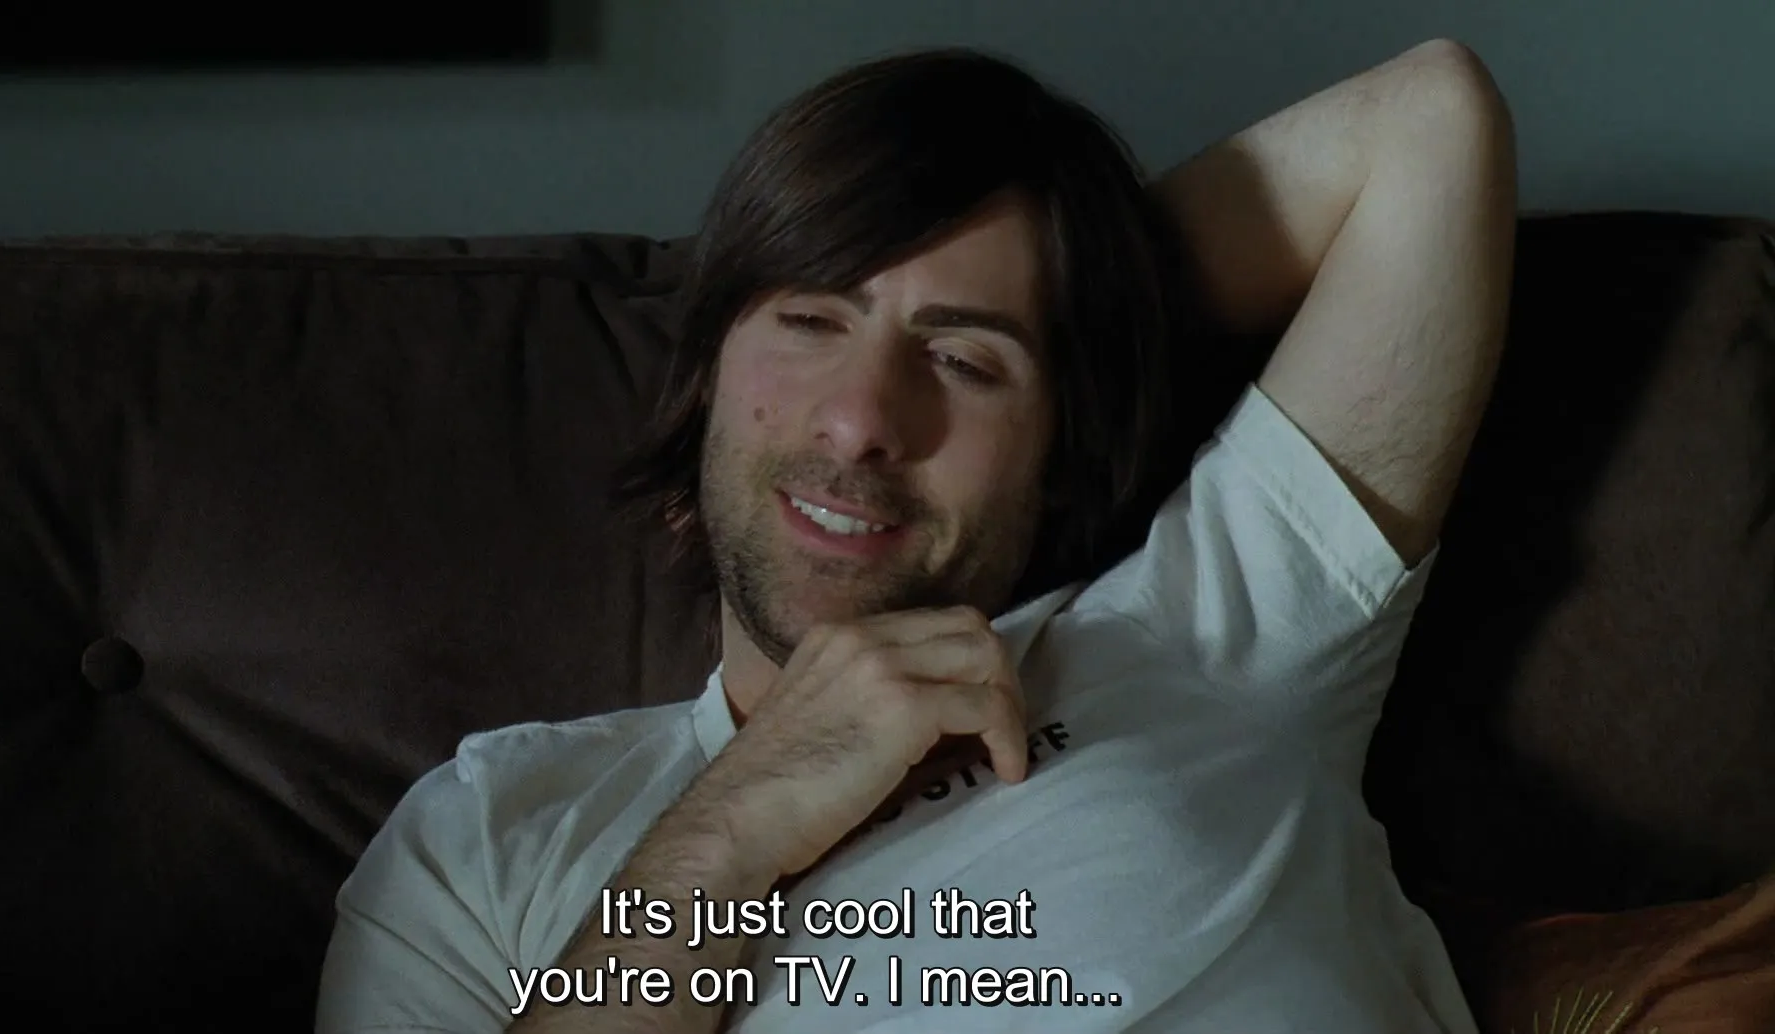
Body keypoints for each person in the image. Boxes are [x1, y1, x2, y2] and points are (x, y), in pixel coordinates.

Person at [317, 36, 1516, 1034]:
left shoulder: (1206, 629)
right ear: (705, 384)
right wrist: (732, 826)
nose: (861, 419)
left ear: (1060, 443)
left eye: (963, 359)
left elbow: (1427, 123)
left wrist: (1088, 309)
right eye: (809, 319)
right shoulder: (489, 838)